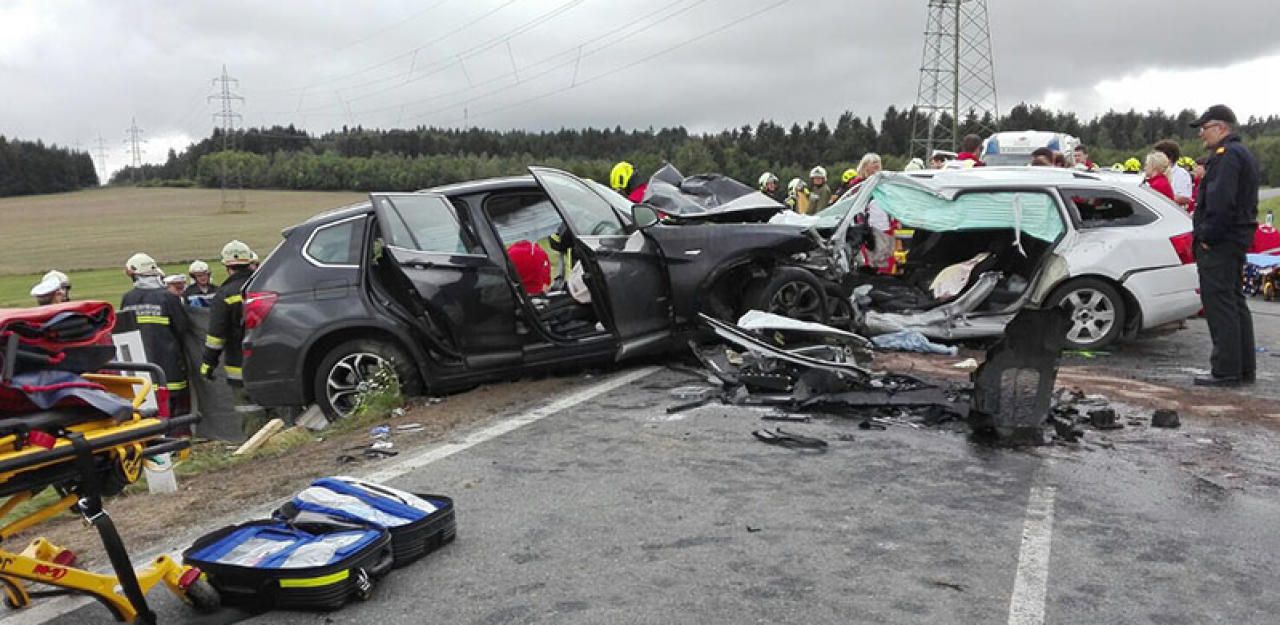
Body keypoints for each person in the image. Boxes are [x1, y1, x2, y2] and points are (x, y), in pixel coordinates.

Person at [1190, 105, 1259, 387]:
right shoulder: (1240, 153)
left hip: (1221, 241)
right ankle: (1242, 367)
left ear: (1220, 127)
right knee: (1233, 301)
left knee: (1220, 304)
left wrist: (1207, 237)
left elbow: (1221, 202)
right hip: (1235, 239)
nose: (1202, 136)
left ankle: (1225, 369)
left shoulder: (1226, 156)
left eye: (1204, 129)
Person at [120, 252, 191, 420]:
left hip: (138, 365)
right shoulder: (169, 298)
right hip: (169, 364)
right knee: (172, 406)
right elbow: (182, 328)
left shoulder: (128, 299)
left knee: (145, 406)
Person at [201, 240, 263, 432]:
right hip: (272, 359)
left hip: (240, 365)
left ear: (227, 267)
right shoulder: (264, 284)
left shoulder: (224, 294)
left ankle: (257, 449)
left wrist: (208, 364)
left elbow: (216, 337)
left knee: (249, 411)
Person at [1154, 140, 1194, 212]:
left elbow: (1185, 198)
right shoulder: (1154, 173)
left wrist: (1158, 197)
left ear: (1169, 157)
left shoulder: (1181, 174)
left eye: (1158, 156)